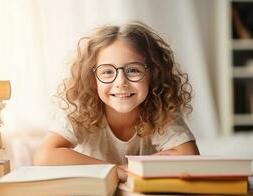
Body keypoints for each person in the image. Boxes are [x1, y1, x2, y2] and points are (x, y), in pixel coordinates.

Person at [34, 21, 200, 180]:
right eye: (107, 72)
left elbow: (189, 155)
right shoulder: (81, 107)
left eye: (133, 70)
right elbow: (44, 155)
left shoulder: (161, 107)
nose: (121, 82)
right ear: (92, 78)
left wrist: (131, 170)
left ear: (153, 74)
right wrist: (114, 169)